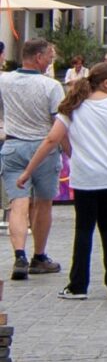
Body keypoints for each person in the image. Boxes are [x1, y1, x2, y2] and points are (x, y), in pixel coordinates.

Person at [23, 62, 107, 298]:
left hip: (86, 176)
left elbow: (52, 139)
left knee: (84, 228)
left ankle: (78, 285)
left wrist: (27, 171)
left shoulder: (72, 107)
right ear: (106, 83)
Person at [2, 35, 64, 282]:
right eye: (49, 56)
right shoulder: (51, 86)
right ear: (38, 57)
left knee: (18, 203)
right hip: (44, 148)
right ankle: (39, 255)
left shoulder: (4, 80)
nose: (50, 61)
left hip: (13, 144)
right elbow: (58, 122)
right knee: (43, 202)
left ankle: (19, 255)